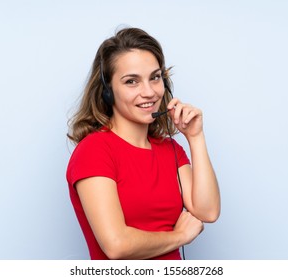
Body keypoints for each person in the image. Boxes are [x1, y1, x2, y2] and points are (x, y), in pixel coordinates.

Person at [66, 27, 220, 260]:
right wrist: (179, 237)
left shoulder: (171, 150)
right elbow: (117, 245)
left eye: (155, 77)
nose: (148, 92)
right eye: (131, 82)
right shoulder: (94, 151)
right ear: (108, 91)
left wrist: (195, 137)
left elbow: (207, 211)